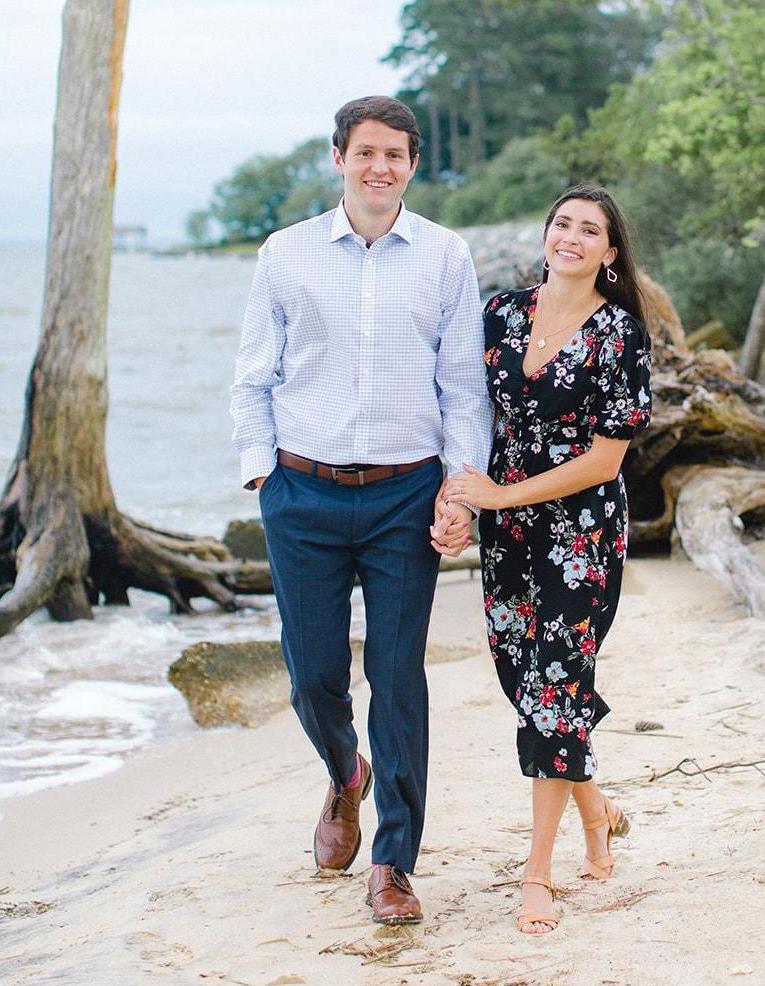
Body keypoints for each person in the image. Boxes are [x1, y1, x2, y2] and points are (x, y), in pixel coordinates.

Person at [230, 95, 491, 926]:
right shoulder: (286, 253)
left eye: (397, 155)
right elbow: (252, 378)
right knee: (311, 675)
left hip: (405, 495)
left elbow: (464, 387)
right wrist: (261, 478)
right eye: (366, 152)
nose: (381, 167)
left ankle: (394, 862)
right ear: (339, 156)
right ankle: (346, 774)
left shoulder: (446, 257)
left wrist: (460, 488)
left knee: (397, 675)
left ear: (414, 165)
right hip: (300, 492)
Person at [443, 184, 652, 935]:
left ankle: (537, 873)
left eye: (588, 229)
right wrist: (463, 500)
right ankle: (598, 812)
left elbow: (605, 460)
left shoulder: (619, 334)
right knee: (518, 678)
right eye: (561, 223)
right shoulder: (500, 314)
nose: (569, 236)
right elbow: (463, 406)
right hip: (509, 533)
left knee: (557, 688)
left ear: (609, 251)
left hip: (581, 536)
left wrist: (500, 496)